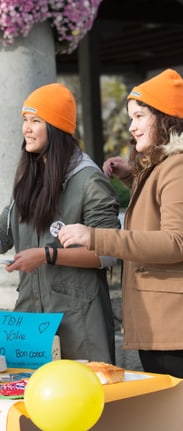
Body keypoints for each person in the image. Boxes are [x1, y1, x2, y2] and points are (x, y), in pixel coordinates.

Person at [0, 83, 121, 362]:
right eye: (25, 120)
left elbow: (107, 254)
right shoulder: (28, 179)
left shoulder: (89, 180)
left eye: (36, 121)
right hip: (31, 323)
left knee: (81, 400)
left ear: (57, 128)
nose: (27, 129)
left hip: (80, 320)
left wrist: (47, 255)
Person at [59, 69, 183, 378]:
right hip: (162, 324)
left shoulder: (177, 166)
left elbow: (175, 242)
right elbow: (156, 212)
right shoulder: (164, 166)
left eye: (140, 116)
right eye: (132, 118)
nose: (132, 127)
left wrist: (97, 237)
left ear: (167, 119)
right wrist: (132, 177)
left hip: (172, 328)